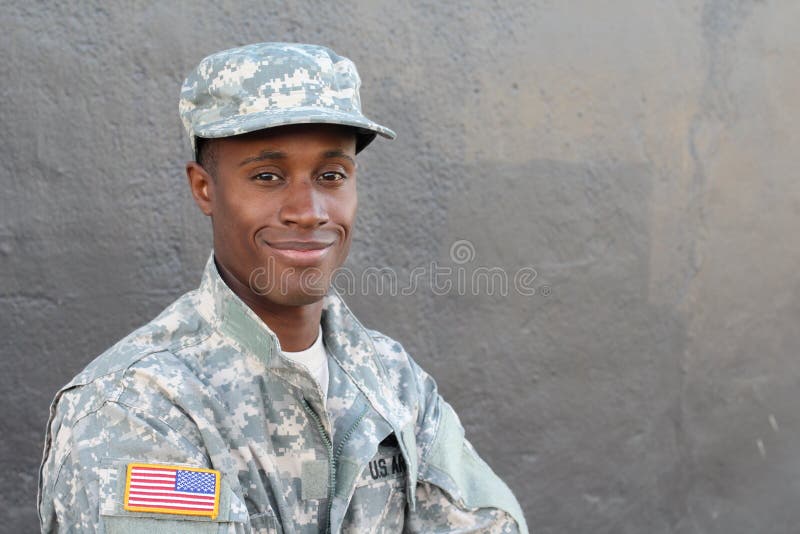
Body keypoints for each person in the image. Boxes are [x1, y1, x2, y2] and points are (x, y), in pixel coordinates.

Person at [38, 42, 528, 533]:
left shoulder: (393, 383)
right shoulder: (138, 409)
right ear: (204, 188)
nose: (308, 209)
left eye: (331, 175)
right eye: (267, 176)